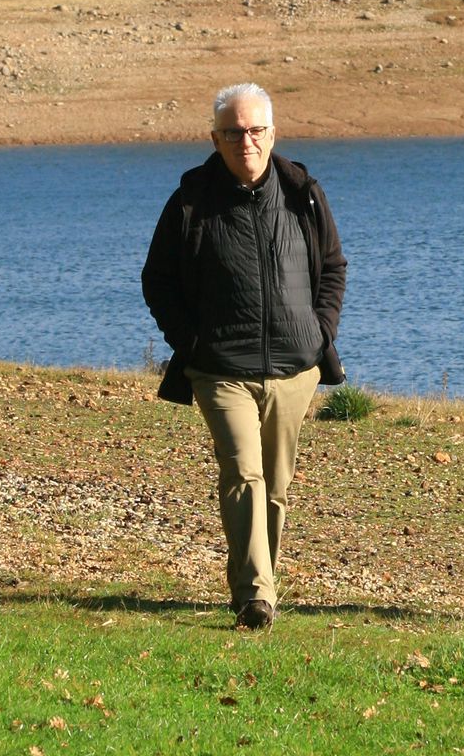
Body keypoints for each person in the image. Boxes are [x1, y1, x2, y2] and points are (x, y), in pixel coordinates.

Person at [141, 83, 346, 632]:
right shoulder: (191, 199)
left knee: (274, 486)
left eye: (255, 130)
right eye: (233, 132)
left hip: (294, 368)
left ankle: (260, 582)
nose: (245, 141)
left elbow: (332, 267)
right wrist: (191, 344)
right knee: (242, 473)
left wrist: (319, 333)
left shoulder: (302, 191)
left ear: (272, 134)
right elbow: (157, 281)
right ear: (215, 138)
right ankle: (256, 595)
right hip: (219, 368)